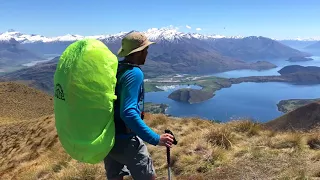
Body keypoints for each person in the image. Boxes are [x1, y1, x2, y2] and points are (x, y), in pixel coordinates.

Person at [104, 31, 174, 180]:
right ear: (139, 52)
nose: (147, 53)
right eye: (146, 50)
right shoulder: (134, 73)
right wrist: (156, 138)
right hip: (126, 140)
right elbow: (128, 112)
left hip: (108, 138)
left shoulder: (116, 69)